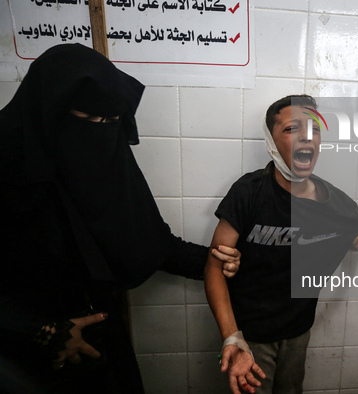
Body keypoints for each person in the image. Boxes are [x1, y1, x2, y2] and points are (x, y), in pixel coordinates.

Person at [0, 43, 241, 394]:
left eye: (111, 122)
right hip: (23, 358)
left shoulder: (108, 166)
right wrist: (40, 331)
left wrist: (216, 259)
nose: (101, 133)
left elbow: (151, 243)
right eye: (88, 120)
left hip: (102, 343)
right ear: (49, 112)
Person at [204, 95, 358, 394]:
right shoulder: (249, 192)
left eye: (315, 129)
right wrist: (231, 336)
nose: (307, 136)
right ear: (271, 140)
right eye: (293, 128)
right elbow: (214, 268)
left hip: (298, 332)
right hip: (248, 334)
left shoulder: (337, 205)